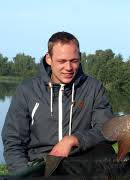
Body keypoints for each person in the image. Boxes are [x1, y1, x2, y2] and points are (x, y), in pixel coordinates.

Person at [1, 32, 113, 175]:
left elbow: (107, 130)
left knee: (105, 152)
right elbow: (13, 141)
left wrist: (74, 139)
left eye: (74, 61)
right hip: (40, 164)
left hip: (81, 163)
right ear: (49, 59)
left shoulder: (93, 87)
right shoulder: (27, 90)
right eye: (61, 61)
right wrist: (24, 174)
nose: (68, 67)